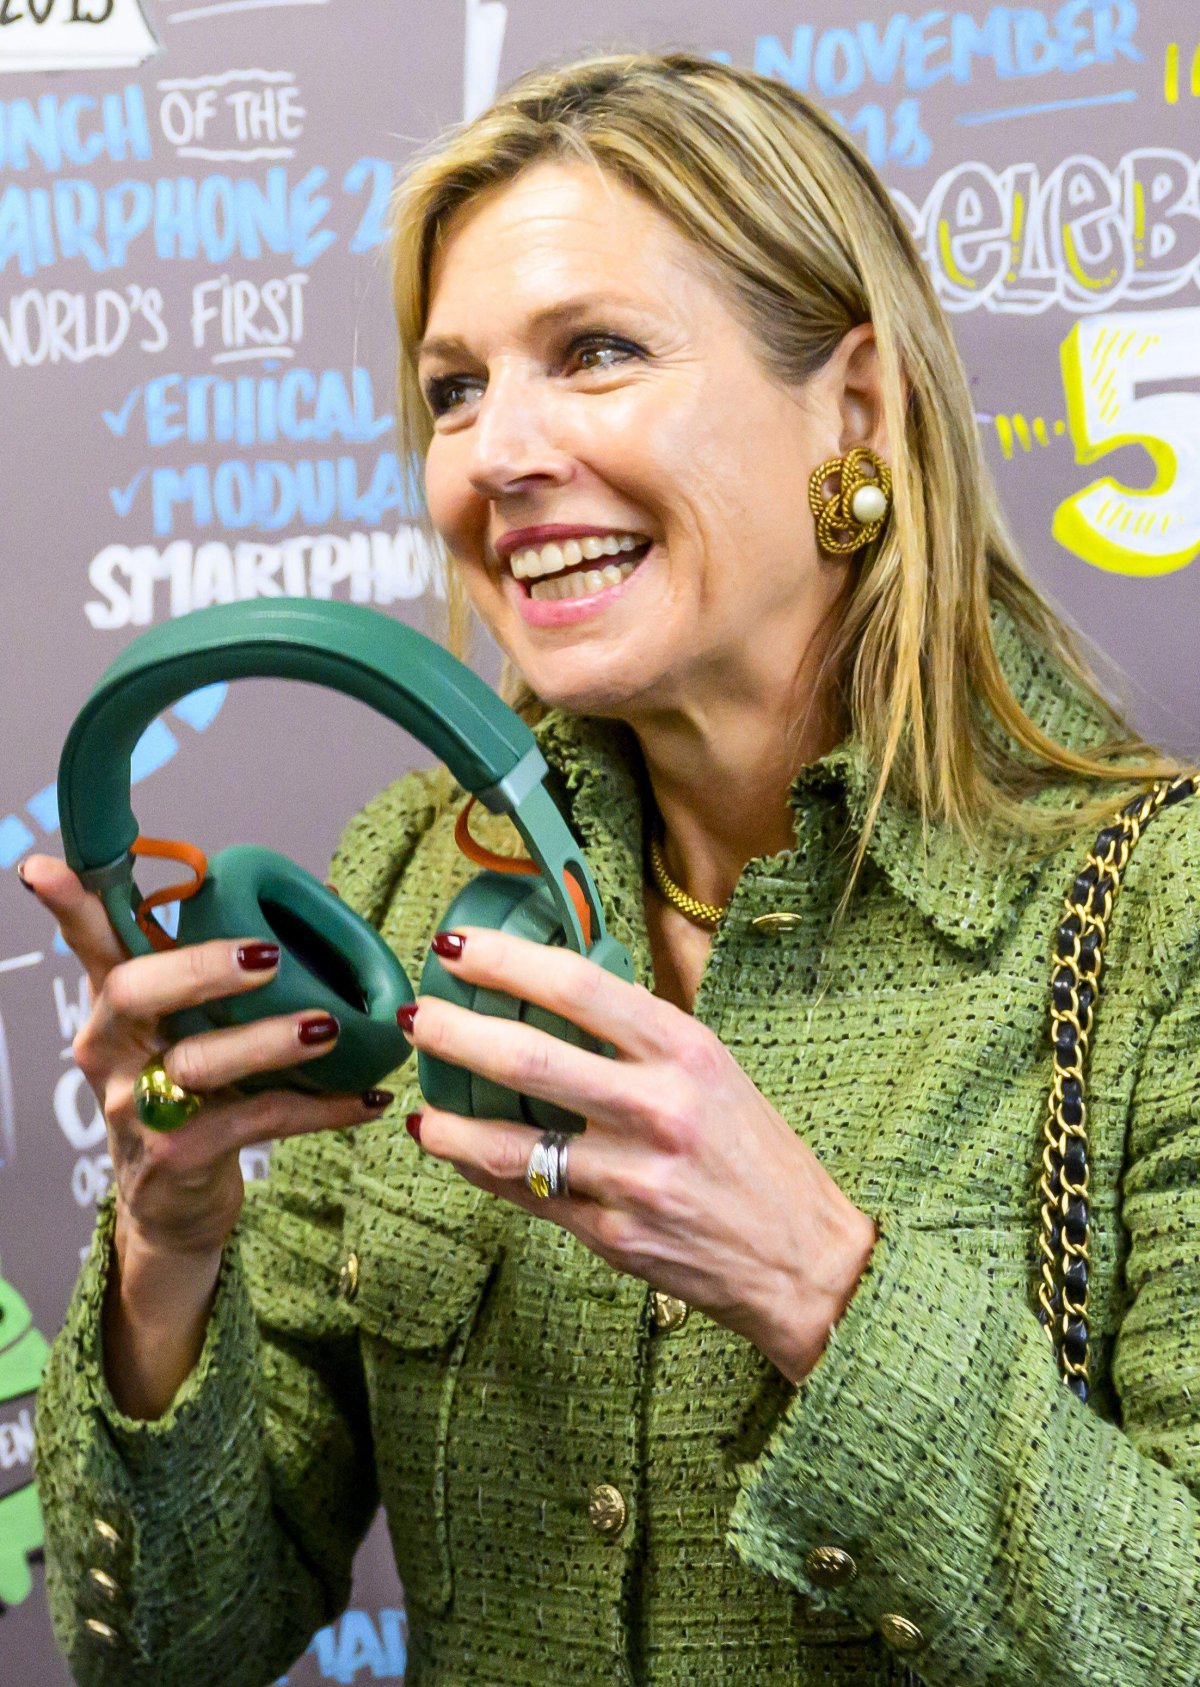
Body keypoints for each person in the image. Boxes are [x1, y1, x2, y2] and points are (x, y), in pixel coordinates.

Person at [26, 48, 1200, 1687]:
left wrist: (823, 1291)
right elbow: (168, 1652)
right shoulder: (405, 888)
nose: (495, 456)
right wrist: (169, 1239)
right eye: (453, 388)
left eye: (594, 353)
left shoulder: (1161, 926)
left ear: (853, 407)